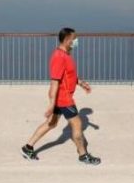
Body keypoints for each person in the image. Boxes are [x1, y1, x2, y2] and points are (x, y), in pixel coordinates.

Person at [21, 27, 101, 165]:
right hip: (64, 99)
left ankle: (28, 147)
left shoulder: (66, 54)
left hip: (62, 97)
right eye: (74, 38)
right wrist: (52, 105)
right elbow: (54, 82)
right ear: (67, 40)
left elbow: (69, 75)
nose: (76, 41)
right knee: (77, 125)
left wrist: (81, 83)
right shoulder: (59, 57)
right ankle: (83, 155)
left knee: (51, 124)